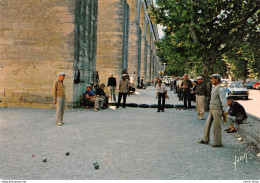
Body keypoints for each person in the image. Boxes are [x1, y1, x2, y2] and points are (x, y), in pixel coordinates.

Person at [198, 74, 228, 147]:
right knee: (206, 125)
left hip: (217, 109)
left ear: (217, 79)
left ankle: (218, 142)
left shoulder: (221, 89)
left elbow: (223, 101)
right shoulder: (214, 88)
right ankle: (205, 139)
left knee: (216, 126)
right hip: (212, 109)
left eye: (213, 79)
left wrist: (225, 111)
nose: (211, 80)